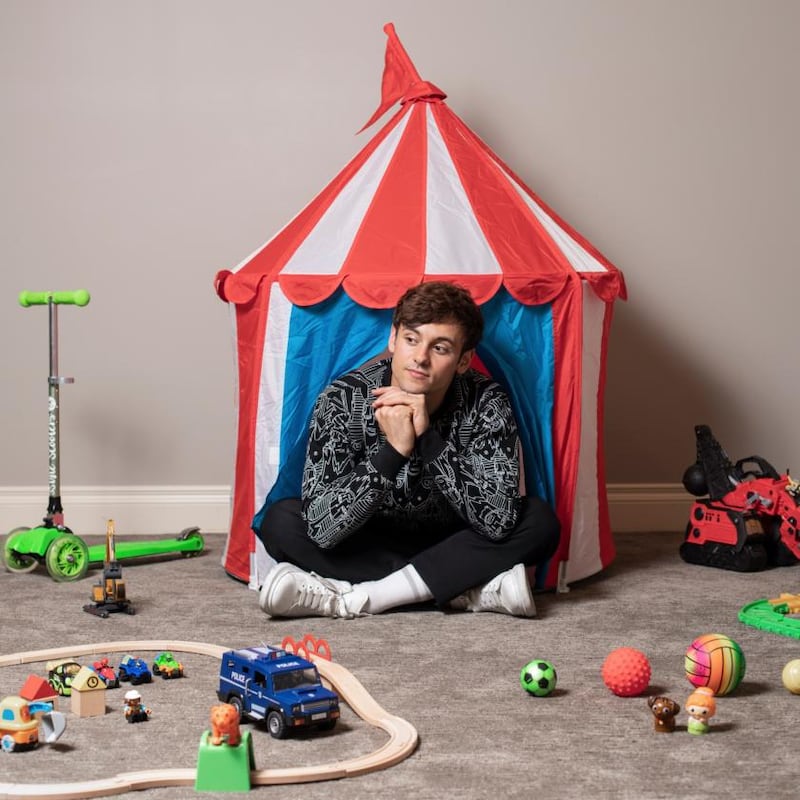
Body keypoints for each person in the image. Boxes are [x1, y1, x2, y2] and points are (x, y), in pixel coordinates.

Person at [257, 281, 560, 619]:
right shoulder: (342, 399)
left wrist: (427, 438)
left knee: (539, 522)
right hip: (367, 540)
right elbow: (321, 529)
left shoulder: (487, 402)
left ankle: (365, 596)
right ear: (393, 339)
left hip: (454, 539)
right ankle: (464, 592)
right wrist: (394, 450)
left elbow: (497, 522)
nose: (420, 358)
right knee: (281, 523)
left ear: (463, 360)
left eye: (440, 348)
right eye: (411, 339)